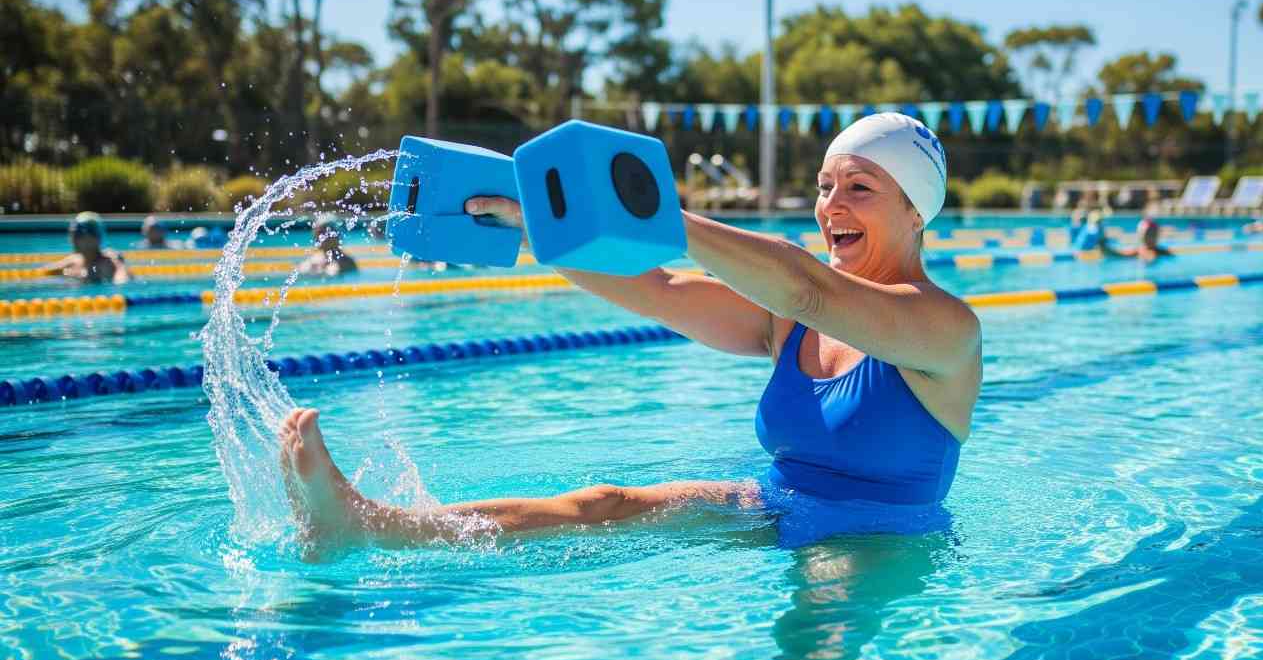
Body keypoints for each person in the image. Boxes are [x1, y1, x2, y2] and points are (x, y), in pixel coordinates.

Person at [279, 113, 979, 554]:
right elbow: (658, 288)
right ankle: (368, 525)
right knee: (605, 503)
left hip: (883, 542)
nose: (832, 206)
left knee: (821, 651)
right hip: (773, 505)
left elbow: (808, 286)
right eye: (825, 186)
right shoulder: (787, 320)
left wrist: (652, 214)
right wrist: (534, 230)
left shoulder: (946, 331)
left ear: (917, 211)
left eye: (859, 188)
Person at [41, 212, 130, 285]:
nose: (72, 239)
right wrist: (71, 273)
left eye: (78, 235)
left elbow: (123, 283)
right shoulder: (75, 260)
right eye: (72, 234)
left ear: (95, 238)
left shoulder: (110, 260)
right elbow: (45, 271)